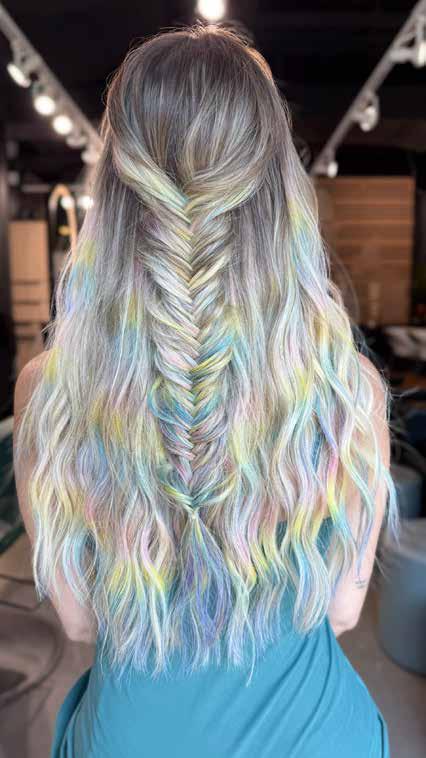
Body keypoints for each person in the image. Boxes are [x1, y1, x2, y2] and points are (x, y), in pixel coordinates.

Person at [13, 22, 399, 758]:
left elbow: (80, 622)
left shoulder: (50, 393)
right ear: (276, 191)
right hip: (315, 739)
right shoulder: (347, 389)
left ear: (114, 192)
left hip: (134, 738)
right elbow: (342, 610)